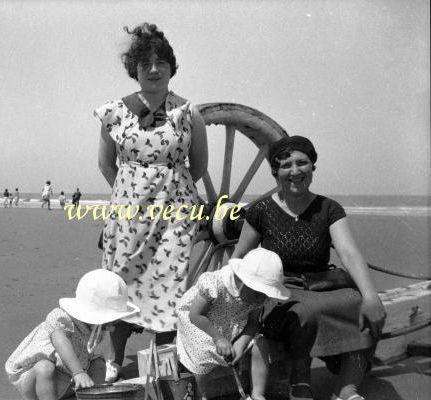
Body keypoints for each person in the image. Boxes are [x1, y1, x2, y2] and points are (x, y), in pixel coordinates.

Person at [231, 135, 386, 400]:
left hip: (321, 285)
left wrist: (371, 296)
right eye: (286, 165)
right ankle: (300, 380)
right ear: (275, 172)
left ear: (312, 167)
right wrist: (234, 310)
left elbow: (348, 252)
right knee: (304, 312)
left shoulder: (328, 209)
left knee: (365, 308)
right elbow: (238, 258)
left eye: (302, 163)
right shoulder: (261, 211)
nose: (295, 171)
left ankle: (348, 388)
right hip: (277, 294)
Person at [95, 22, 208, 378]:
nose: (154, 70)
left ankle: (162, 358)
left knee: (170, 280)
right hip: (129, 214)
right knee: (122, 279)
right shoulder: (114, 112)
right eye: (146, 64)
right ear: (136, 71)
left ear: (171, 67)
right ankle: (114, 358)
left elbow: (199, 166)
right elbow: (105, 164)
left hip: (175, 214)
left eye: (161, 63)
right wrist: (133, 195)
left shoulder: (189, 113)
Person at [5, 269, 139, 400]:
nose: (112, 328)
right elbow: (60, 342)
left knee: (99, 364)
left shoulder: (95, 328)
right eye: (111, 321)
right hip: (34, 379)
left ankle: (92, 396)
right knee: (44, 368)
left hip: (64, 378)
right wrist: (78, 372)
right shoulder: (61, 317)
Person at [176, 248, 290, 400]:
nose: (260, 299)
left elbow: (253, 323)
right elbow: (195, 315)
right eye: (258, 293)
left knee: (260, 343)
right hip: (202, 323)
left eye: (265, 294)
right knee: (202, 350)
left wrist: (241, 345)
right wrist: (218, 338)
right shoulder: (215, 284)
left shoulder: (257, 297)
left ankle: (257, 394)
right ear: (240, 280)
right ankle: (199, 395)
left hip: (233, 322)